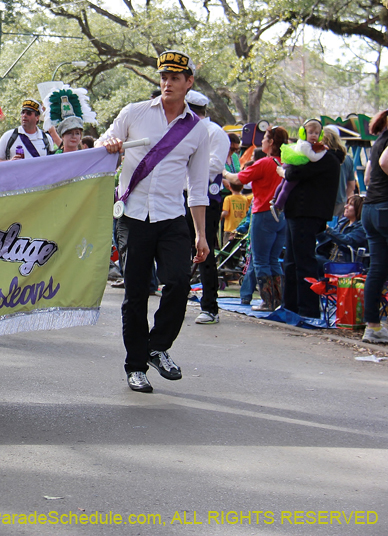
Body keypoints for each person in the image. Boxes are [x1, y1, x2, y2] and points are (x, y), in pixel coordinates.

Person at [98, 50, 210, 394]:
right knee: (135, 295)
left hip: (171, 217)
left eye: (175, 78)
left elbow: (198, 186)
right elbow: (104, 143)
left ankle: (156, 346)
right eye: (163, 77)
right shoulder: (134, 113)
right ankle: (135, 366)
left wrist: (201, 234)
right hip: (133, 217)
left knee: (178, 282)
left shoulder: (198, 129)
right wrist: (111, 145)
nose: (167, 83)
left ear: (188, 83)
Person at [280, 122, 344, 319]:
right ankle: (291, 305)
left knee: (302, 261)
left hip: (304, 213)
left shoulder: (324, 159)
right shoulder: (327, 160)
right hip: (302, 213)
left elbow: (293, 173)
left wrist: (284, 171)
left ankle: (307, 309)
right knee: (292, 261)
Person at [224, 126, 289, 312]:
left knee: (260, 260)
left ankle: (267, 301)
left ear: (271, 143)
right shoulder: (286, 164)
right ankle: (278, 300)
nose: (261, 142)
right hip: (281, 214)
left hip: (263, 212)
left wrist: (223, 172)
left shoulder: (265, 163)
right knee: (274, 259)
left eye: (264, 139)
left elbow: (238, 180)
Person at [185, 90, 231, 325]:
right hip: (182, 197)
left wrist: (186, 166)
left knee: (204, 251)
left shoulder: (215, 133)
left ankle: (210, 306)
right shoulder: (184, 131)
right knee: (181, 250)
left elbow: (214, 165)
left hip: (206, 199)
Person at [361, 110, 388, 344]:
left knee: (377, 269)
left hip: (370, 207)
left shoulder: (378, 140)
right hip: (385, 207)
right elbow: (385, 162)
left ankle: (373, 327)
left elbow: (368, 177)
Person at [269, 119, 327, 220]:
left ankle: (274, 199)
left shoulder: (304, 143)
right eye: (310, 132)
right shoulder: (305, 145)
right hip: (294, 167)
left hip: (290, 164)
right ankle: (277, 206)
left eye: (316, 133)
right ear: (303, 133)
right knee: (287, 188)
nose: (314, 135)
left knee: (282, 184)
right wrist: (323, 152)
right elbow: (313, 157)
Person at [315, 194, 365, 268]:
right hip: (329, 258)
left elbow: (348, 241)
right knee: (306, 253)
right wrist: (319, 228)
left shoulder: (362, 227)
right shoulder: (343, 222)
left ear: (359, 209)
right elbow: (327, 240)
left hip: (344, 264)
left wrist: (328, 229)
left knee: (312, 259)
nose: (345, 206)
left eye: (350, 205)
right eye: (347, 204)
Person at [321, 125, 356, 222]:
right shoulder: (347, 158)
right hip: (341, 202)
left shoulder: (320, 156)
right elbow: (351, 186)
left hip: (323, 201)